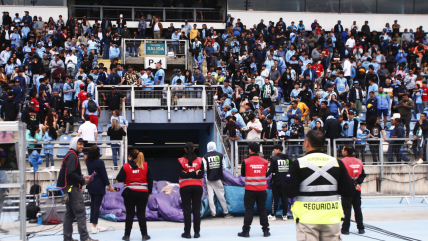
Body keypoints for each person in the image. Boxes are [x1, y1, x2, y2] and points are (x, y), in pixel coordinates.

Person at [283, 130, 354, 241]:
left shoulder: (299, 163)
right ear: (323, 144)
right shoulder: (336, 163)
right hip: (331, 218)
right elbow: (349, 191)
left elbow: (289, 192)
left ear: (307, 143)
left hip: (307, 218)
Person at [57, 137, 98, 241]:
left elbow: (71, 172)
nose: (82, 146)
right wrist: (82, 180)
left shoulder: (70, 154)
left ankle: (67, 238)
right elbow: (71, 173)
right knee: (81, 213)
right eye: (79, 144)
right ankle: (84, 238)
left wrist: (82, 178)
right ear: (74, 144)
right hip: (73, 188)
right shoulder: (72, 156)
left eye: (82, 144)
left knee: (69, 214)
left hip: (69, 187)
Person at [116, 149, 153, 241]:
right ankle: (144, 235)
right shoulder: (145, 165)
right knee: (141, 214)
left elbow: (119, 178)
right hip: (143, 193)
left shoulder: (126, 166)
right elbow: (150, 180)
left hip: (129, 193)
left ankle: (126, 236)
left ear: (130, 157)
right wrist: (149, 192)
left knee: (130, 214)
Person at [238, 142, 270, 238]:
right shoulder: (265, 161)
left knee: (249, 210)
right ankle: (266, 231)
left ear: (250, 150)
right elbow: (264, 173)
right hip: (262, 190)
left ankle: (246, 231)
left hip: (250, 190)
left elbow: (243, 174)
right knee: (262, 209)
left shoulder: (246, 161)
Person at [86, 145, 115, 234]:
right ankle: (94, 226)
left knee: (93, 205)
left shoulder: (87, 161)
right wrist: (109, 186)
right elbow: (104, 175)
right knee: (96, 206)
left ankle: (94, 224)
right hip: (99, 186)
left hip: (91, 185)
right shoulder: (100, 162)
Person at [178, 142, 204, 239]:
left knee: (187, 210)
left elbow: (182, 175)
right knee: (197, 210)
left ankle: (187, 233)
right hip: (198, 186)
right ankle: (197, 233)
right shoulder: (200, 160)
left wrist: (188, 172)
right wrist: (195, 173)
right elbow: (201, 175)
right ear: (194, 149)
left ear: (185, 149)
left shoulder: (180, 160)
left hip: (185, 187)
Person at [202, 142, 233, 219]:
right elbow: (224, 167)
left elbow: (204, 168)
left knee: (210, 196)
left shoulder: (205, 157)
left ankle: (213, 214)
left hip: (208, 178)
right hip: (218, 178)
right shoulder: (221, 155)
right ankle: (226, 213)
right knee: (221, 196)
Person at [340, 145, 366, 235]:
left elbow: (341, 176)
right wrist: (357, 183)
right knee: (357, 208)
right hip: (357, 189)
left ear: (346, 151)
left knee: (347, 209)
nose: (342, 151)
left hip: (347, 189)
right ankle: (361, 228)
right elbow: (363, 175)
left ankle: (345, 229)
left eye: (343, 149)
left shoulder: (342, 162)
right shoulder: (359, 161)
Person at [267, 144, 290, 221]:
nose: (273, 151)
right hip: (286, 182)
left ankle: (273, 215)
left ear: (277, 150)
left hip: (276, 182)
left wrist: (263, 176)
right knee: (285, 199)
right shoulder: (288, 159)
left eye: (274, 150)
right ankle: (285, 215)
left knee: (275, 199)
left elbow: (270, 171)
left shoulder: (274, 159)